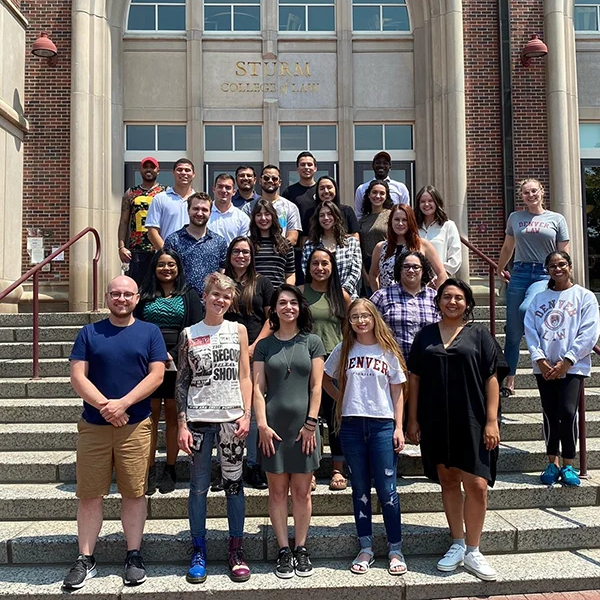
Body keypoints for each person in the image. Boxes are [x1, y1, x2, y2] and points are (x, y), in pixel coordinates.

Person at [62, 276, 167, 590]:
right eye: (115, 294)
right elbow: (78, 376)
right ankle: (85, 558)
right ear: (107, 297)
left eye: (127, 294)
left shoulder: (150, 332)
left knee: (134, 493)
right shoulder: (89, 332)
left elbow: (157, 374)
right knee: (89, 494)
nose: (121, 299)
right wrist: (105, 405)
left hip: (135, 426)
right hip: (94, 426)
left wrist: (123, 404)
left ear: (137, 298)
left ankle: (133, 554)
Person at [406, 278, 508, 582]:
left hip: (473, 419)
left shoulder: (480, 335)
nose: (452, 302)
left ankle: (474, 549)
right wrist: (412, 420)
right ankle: (458, 542)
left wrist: (491, 421)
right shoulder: (425, 335)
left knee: (476, 483)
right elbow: (414, 379)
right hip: (436, 419)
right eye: (447, 297)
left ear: (467, 304)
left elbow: (493, 377)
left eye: (459, 298)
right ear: (438, 302)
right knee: (448, 480)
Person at [176, 273, 253, 584]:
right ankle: (199, 549)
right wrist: (181, 423)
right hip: (197, 421)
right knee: (197, 488)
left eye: (226, 296)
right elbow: (181, 380)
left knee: (234, 487)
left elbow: (245, 375)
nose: (220, 300)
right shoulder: (189, 333)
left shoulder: (239, 330)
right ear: (204, 297)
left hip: (231, 421)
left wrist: (246, 415)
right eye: (215, 294)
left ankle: (236, 548)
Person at [323, 298, 408, 575]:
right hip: (351, 425)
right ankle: (366, 547)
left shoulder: (387, 351)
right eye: (355, 317)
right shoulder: (344, 349)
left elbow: (398, 390)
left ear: (374, 318)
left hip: (382, 424)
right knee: (359, 488)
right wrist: (340, 398)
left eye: (365, 316)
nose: (360, 321)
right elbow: (325, 376)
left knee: (387, 490)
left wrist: (398, 427)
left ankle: (395, 548)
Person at [253, 285, 326, 578]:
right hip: (272, 429)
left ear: (300, 308)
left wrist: (311, 424)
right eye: (282, 303)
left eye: (293, 302)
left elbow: (317, 387)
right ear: (274, 309)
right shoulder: (264, 345)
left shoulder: (312, 342)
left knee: (302, 492)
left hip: (304, 429)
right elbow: (258, 389)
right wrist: (261, 425)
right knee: (277, 491)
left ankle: (301, 547)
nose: (288, 307)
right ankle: (283, 549)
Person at [524, 251, 600, 487]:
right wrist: (540, 360)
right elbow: (531, 331)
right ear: (547, 270)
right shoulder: (538, 298)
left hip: (573, 367)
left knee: (567, 413)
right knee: (549, 413)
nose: (557, 269)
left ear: (569, 266)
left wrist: (568, 360)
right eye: (552, 266)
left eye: (562, 264)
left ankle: (569, 463)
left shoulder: (584, 297)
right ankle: (552, 462)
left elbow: (589, 332)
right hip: (545, 367)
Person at [134, 249, 205, 495]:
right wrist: (154, 354)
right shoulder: (143, 296)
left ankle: (171, 468)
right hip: (147, 361)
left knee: (175, 415)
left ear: (178, 268)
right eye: (162, 264)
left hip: (179, 361)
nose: (166, 269)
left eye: (171, 264)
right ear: (154, 267)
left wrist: (174, 355)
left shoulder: (189, 295)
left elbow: (196, 328)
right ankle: (150, 468)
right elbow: (136, 327)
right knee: (151, 416)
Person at [497, 178, 570, 396]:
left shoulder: (556, 219)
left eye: (534, 191)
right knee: (512, 333)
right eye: (526, 192)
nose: (531, 195)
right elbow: (508, 246)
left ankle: (543, 354)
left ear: (542, 192)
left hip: (542, 273)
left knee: (525, 310)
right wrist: (500, 268)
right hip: (519, 273)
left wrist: (563, 278)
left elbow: (563, 253)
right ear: (522, 196)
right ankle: (509, 381)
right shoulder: (515, 218)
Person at [224, 236, 274, 490]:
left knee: (252, 409)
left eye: (246, 252)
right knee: (225, 409)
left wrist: (255, 346)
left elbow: (271, 317)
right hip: (224, 351)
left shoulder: (262, 282)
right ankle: (227, 464)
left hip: (256, 351)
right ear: (230, 254)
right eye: (236, 251)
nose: (241, 256)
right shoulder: (221, 280)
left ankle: (253, 464)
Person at [300, 248, 351, 491]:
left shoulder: (341, 296)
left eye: (325, 263)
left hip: (334, 364)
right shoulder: (299, 294)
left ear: (332, 267)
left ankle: (337, 469)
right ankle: (309, 469)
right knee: (308, 417)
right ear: (308, 266)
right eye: (315, 263)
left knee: (335, 418)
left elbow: (348, 331)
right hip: (305, 362)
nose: (320, 268)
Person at [371, 251, 440, 360]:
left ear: (423, 270)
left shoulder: (435, 298)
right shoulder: (382, 296)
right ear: (399, 269)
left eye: (416, 267)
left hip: (429, 364)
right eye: (406, 266)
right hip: (393, 365)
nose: (411, 270)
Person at [370, 204, 447, 290]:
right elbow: (373, 276)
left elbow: (441, 274)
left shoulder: (423, 245)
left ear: (410, 222)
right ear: (391, 221)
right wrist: (377, 298)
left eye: (404, 220)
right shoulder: (380, 247)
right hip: (388, 300)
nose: (400, 223)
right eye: (396, 219)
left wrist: (436, 298)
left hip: (416, 300)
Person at [163, 192, 228, 295]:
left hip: (210, 302)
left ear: (210, 213)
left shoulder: (219, 242)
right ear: (188, 210)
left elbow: (223, 273)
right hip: (181, 301)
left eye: (204, 210)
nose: (200, 213)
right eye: (196, 209)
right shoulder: (173, 240)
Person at [118, 157, 166, 284]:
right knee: (137, 286)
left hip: (159, 247)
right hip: (137, 249)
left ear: (158, 170)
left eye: (152, 167)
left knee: (159, 287)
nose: (149, 170)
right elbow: (124, 222)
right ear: (140, 170)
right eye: (146, 167)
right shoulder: (131, 193)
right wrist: (121, 247)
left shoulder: (165, 193)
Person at [301, 201, 362, 298]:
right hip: (319, 297)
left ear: (336, 216)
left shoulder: (352, 242)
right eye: (322, 215)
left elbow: (356, 271)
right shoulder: (310, 244)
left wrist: (344, 290)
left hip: (347, 296)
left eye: (330, 214)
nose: (326, 218)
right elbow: (306, 270)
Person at [242, 165, 302, 245]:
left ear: (280, 182)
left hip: (281, 254)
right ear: (260, 181)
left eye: (274, 178)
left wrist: (276, 250)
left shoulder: (291, 207)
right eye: (266, 178)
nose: (270, 181)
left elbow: (293, 237)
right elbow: (244, 235)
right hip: (255, 253)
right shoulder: (248, 208)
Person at [145, 158, 196, 249]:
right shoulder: (160, 198)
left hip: (194, 256)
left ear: (193, 174)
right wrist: (167, 254)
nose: (183, 173)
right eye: (179, 170)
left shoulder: (199, 200)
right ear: (173, 173)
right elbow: (152, 231)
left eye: (187, 170)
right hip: (168, 259)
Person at [415, 185, 462, 276]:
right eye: (422, 201)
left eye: (430, 201)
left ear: (437, 203)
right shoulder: (413, 227)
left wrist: (440, 275)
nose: (426, 204)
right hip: (416, 281)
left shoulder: (448, 226)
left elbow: (455, 257)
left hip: (439, 280)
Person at [296, 175, 360, 242]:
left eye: (329, 187)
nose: (326, 191)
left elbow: (355, 237)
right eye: (322, 188)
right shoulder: (310, 212)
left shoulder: (347, 210)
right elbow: (304, 239)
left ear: (335, 189)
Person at [250, 199, 296, 288]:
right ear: (254, 218)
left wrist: (285, 293)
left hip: (277, 296)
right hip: (254, 296)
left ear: (273, 216)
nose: (263, 218)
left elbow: (290, 274)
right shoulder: (248, 244)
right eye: (259, 215)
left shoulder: (285, 244)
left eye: (267, 214)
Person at [359, 179, 393, 293]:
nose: (377, 196)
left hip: (386, 264)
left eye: (382, 193)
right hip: (367, 267)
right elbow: (360, 250)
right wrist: (365, 274)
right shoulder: (363, 220)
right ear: (368, 195)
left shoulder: (391, 216)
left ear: (386, 196)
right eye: (374, 192)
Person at [354, 151, 410, 219]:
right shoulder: (361, 189)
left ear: (390, 166)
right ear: (373, 166)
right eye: (378, 163)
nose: (381, 165)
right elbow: (359, 215)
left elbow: (406, 213)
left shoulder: (401, 188)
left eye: (385, 163)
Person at [208, 173, 250, 244]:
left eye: (228, 187)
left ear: (234, 192)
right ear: (214, 189)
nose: (224, 190)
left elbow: (243, 246)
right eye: (220, 186)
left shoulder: (242, 218)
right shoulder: (204, 214)